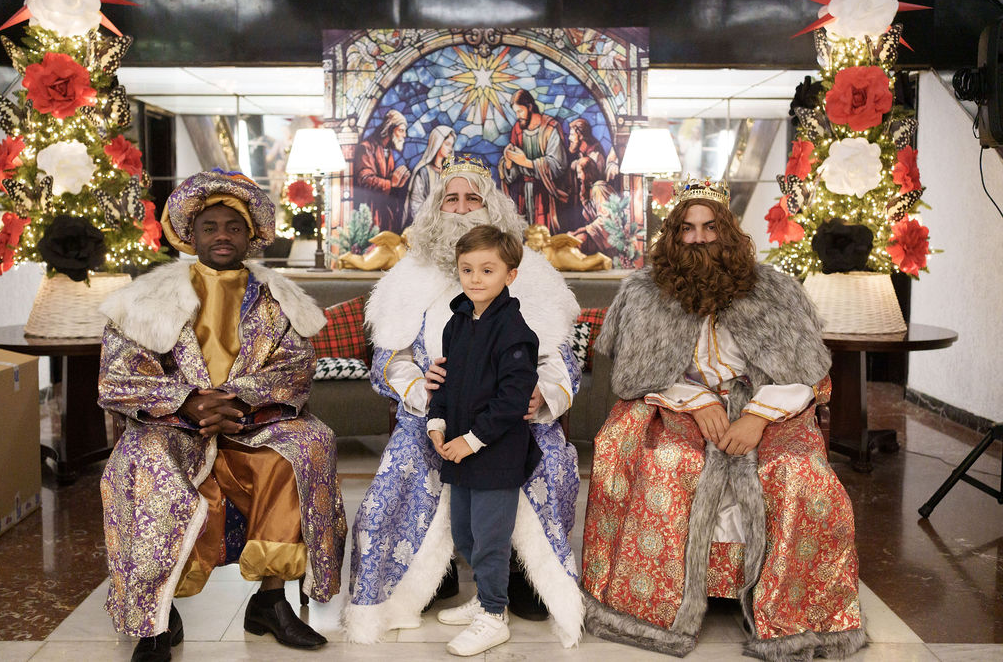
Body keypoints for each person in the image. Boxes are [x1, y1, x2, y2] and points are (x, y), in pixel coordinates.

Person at [580, 178, 864, 661]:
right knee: (668, 463)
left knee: (796, 473)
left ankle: (790, 613)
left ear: (728, 230)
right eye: (688, 228)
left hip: (769, 404)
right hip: (673, 404)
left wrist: (757, 417)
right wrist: (695, 400)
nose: (699, 238)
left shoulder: (774, 290)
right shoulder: (644, 293)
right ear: (674, 234)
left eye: (710, 227)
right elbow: (634, 377)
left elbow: (806, 374)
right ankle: (654, 607)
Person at [98, 169, 347, 662]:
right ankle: (156, 618)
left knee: (306, 447)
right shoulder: (147, 299)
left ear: (252, 235)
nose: (222, 236)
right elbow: (118, 377)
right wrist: (188, 401)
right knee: (145, 465)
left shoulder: (278, 299)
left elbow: (296, 366)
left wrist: (237, 401)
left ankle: (270, 602)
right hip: (169, 423)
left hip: (255, 417)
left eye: (234, 227)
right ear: (190, 234)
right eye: (209, 227)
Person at [343, 156, 584, 648]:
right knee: (407, 466)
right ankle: (428, 576)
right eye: (450, 198)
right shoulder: (409, 278)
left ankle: (522, 576)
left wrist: (544, 393)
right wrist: (420, 386)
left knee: (550, 461)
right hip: (435, 411)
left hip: (512, 416)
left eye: (472, 197)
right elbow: (390, 359)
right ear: (436, 206)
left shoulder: (529, 279)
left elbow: (560, 360)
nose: (461, 207)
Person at [426, 224, 540, 656]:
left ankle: (494, 613)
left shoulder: (515, 332)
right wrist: (437, 423)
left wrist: (472, 440)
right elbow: (445, 382)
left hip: (495, 453)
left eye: (487, 270)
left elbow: (512, 402)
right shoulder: (457, 323)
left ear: (510, 275)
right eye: (467, 269)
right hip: (459, 448)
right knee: (465, 534)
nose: (475, 278)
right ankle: (483, 598)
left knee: (491, 539)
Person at [498, 90, 569, 234]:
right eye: (515, 112)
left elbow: (559, 165)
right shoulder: (517, 129)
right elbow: (512, 173)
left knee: (544, 236)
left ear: (530, 107)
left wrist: (527, 163)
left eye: (520, 111)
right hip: (523, 194)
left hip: (545, 194)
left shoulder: (550, 128)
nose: (518, 116)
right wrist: (509, 163)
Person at [354, 109, 409, 232]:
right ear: (390, 129)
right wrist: (391, 183)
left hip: (384, 210)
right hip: (371, 210)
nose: (404, 135)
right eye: (401, 130)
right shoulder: (366, 148)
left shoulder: (387, 151)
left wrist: (398, 183)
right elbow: (364, 179)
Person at [406, 125, 456, 227]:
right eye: (447, 144)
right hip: (425, 226)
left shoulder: (450, 173)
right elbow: (416, 204)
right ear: (437, 143)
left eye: (452, 145)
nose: (450, 149)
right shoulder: (423, 172)